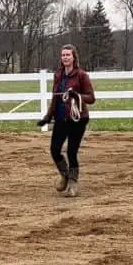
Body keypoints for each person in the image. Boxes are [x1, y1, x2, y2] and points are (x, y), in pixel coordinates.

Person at [37, 44, 96, 196]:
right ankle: (65, 175)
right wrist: (48, 117)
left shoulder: (82, 75)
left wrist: (76, 95)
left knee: (71, 151)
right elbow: (55, 98)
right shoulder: (58, 76)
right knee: (54, 149)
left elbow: (91, 98)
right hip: (61, 118)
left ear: (74, 57)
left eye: (68, 55)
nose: (65, 57)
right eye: (63, 55)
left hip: (77, 119)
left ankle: (73, 183)